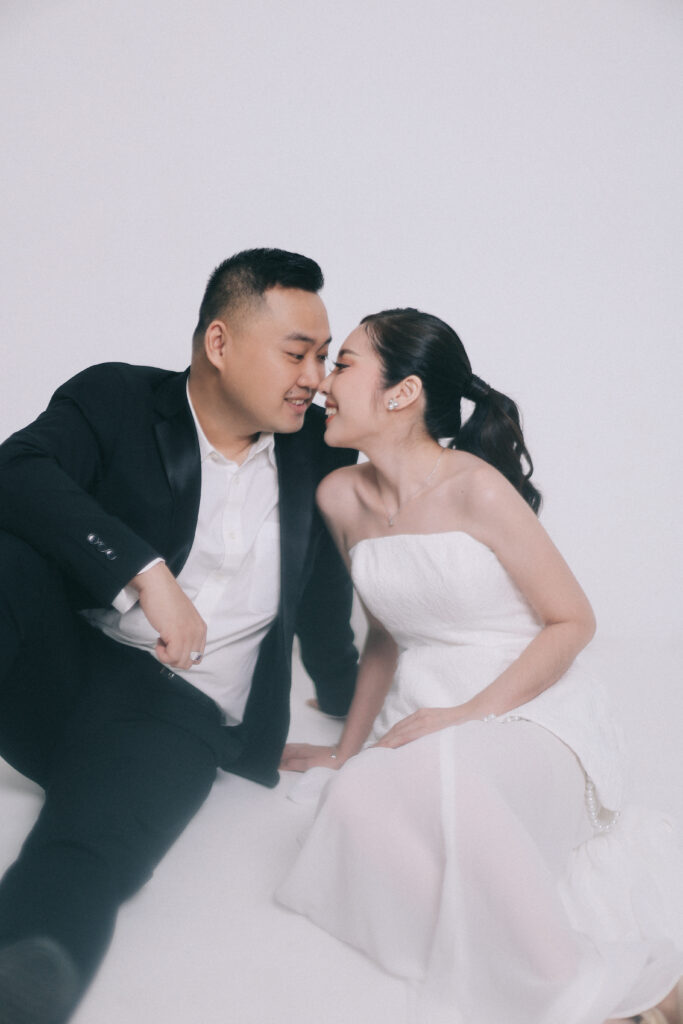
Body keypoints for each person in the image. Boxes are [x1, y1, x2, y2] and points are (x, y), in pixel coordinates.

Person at [276, 308, 683, 1024]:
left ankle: (620, 998)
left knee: (452, 781)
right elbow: (384, 635)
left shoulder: (476, 488)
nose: (322, 384)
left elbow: (573, 621)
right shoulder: (339, 496)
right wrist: (346, 750)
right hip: (424, 710)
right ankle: (576, 989)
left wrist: (468, 715)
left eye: (342, 364)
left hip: (532, 707)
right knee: (353, 801)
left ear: (402, 393)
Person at [0, 248, 359, 1022]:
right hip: (60, 672)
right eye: (296, 353)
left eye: (323, 357)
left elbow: (327, 599)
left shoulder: (316, 448)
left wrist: (352, 710)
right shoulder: (118, 398)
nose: (315, 378)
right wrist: (144, 572)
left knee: (83, 853)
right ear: (219, 343)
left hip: (173, 716)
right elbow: (15, 469)